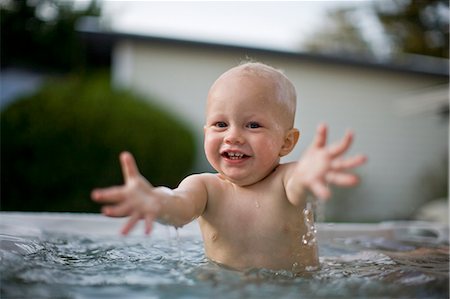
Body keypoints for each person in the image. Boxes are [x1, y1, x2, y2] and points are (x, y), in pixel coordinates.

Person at [91, 62, 367, 273]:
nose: (232, 136)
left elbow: (300, 183)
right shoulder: (205, 187)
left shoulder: (285, 181)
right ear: (206, 131)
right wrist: (155, 200)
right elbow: (178, 206)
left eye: (253, 125)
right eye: (220, 124)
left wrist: (310, 171)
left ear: (286, 142)